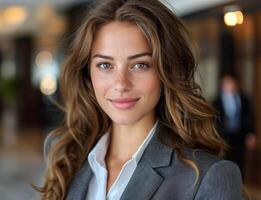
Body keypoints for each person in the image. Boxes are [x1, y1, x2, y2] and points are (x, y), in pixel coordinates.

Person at [36, 0, 243, 199]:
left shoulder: (210, 177)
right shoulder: (68, 161)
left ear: (166, 71)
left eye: (140, 65)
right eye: (105, 65)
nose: (121, 84)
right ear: (87, 74)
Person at [213, 73, 257, 175]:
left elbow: (249, 118)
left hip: (239, 136)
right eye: (228, 83)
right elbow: (214, 121)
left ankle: (240, 185)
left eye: (232, 83)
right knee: (224, 161)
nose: (231, 85)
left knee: (240, 161)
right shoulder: (216, 101)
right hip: (223, 136)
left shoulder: (244, 99)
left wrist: (251, 134)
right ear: (222, 85)